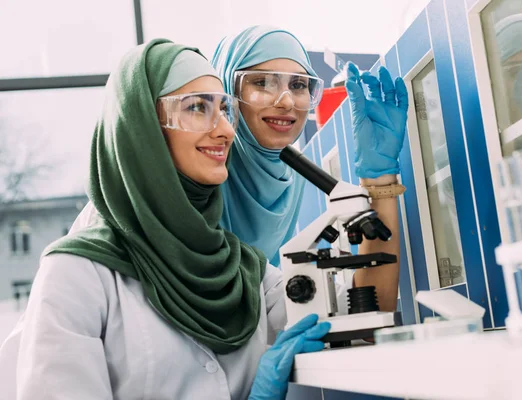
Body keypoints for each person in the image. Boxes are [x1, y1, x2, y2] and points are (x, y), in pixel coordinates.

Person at [0, 39, 331, 400]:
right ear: (143, 130)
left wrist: (378, 184)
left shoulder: (245, 269)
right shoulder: (77, 274)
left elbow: (342, 312)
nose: (225, 130)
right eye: (197, 108)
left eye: (224, 109)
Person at [212, 25, 409, 311]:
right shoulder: (200, 185)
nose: (287, 101)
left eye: (298, 85)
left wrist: (380, 180)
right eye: (262, 82)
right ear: (227, 93)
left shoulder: (295, 181)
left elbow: (370, 308)